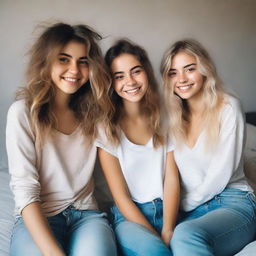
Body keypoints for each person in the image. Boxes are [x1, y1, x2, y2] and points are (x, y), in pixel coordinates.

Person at [6, 22, 117, 256]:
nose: (74, 70)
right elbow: (25, 191)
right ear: (46, 61)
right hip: (38, 215)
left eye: (83, 61)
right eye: (64, 59)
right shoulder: (22, 113)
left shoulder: (95, 115)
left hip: (86, 216)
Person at [161, 39, 256, 256]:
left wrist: (182, 209)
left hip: (234, 202)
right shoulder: (172, 119)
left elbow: (220, 174)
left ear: (204, 70)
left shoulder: (228, 106)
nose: (181, 78)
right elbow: (171, 177)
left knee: (184, 234)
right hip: (196, 211)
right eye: (173, 72)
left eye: (190, 69)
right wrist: (168, 221)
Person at [96, 39, 180, 256]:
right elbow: (121, 197)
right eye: (119, 76)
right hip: (130, 217)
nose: (130, 81)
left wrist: (168, 229)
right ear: (111, 82)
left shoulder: (164, 117)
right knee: (157, 252)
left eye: (136, 71)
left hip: (170, 209)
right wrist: (154, 235)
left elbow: (171, 179)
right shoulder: (106, 128)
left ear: (146, 73)